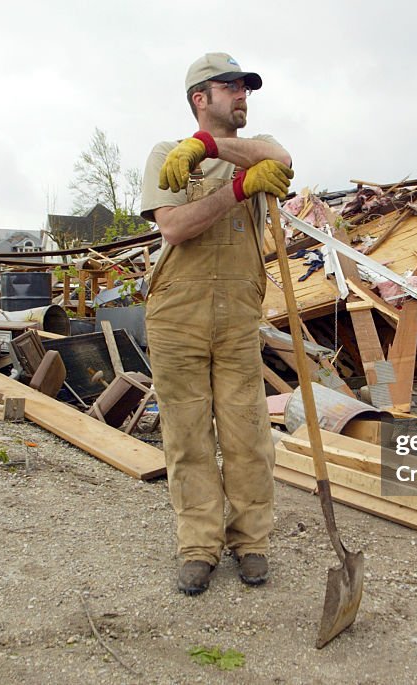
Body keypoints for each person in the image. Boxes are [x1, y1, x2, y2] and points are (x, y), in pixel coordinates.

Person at [140, 53, 294, 596]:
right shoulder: (167, 156)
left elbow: (280, 156)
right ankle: (199, 546)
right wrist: (235, 187)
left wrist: (211, 147)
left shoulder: (256, 150)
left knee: (248, 431)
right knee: (188, 435)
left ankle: (251, 542)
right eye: (231, 87)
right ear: (200, 98)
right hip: (177, 311)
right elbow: (175, 227)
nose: (243, 95)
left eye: (246, 87)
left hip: (237, 311)